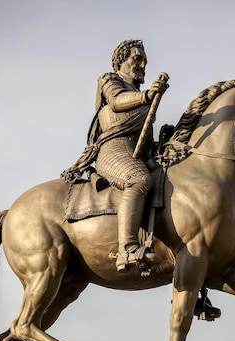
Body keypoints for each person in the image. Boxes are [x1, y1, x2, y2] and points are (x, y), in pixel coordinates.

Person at [62, 39, 168, 271]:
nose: (141, 64)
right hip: (114, 149)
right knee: (138, 180)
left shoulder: (140, 95)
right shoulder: (110, 80)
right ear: (121, 61)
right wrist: (147, 96)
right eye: (136, 58)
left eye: (144, 61)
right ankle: (127, 249)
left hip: (138, 153)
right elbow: (117, 102)